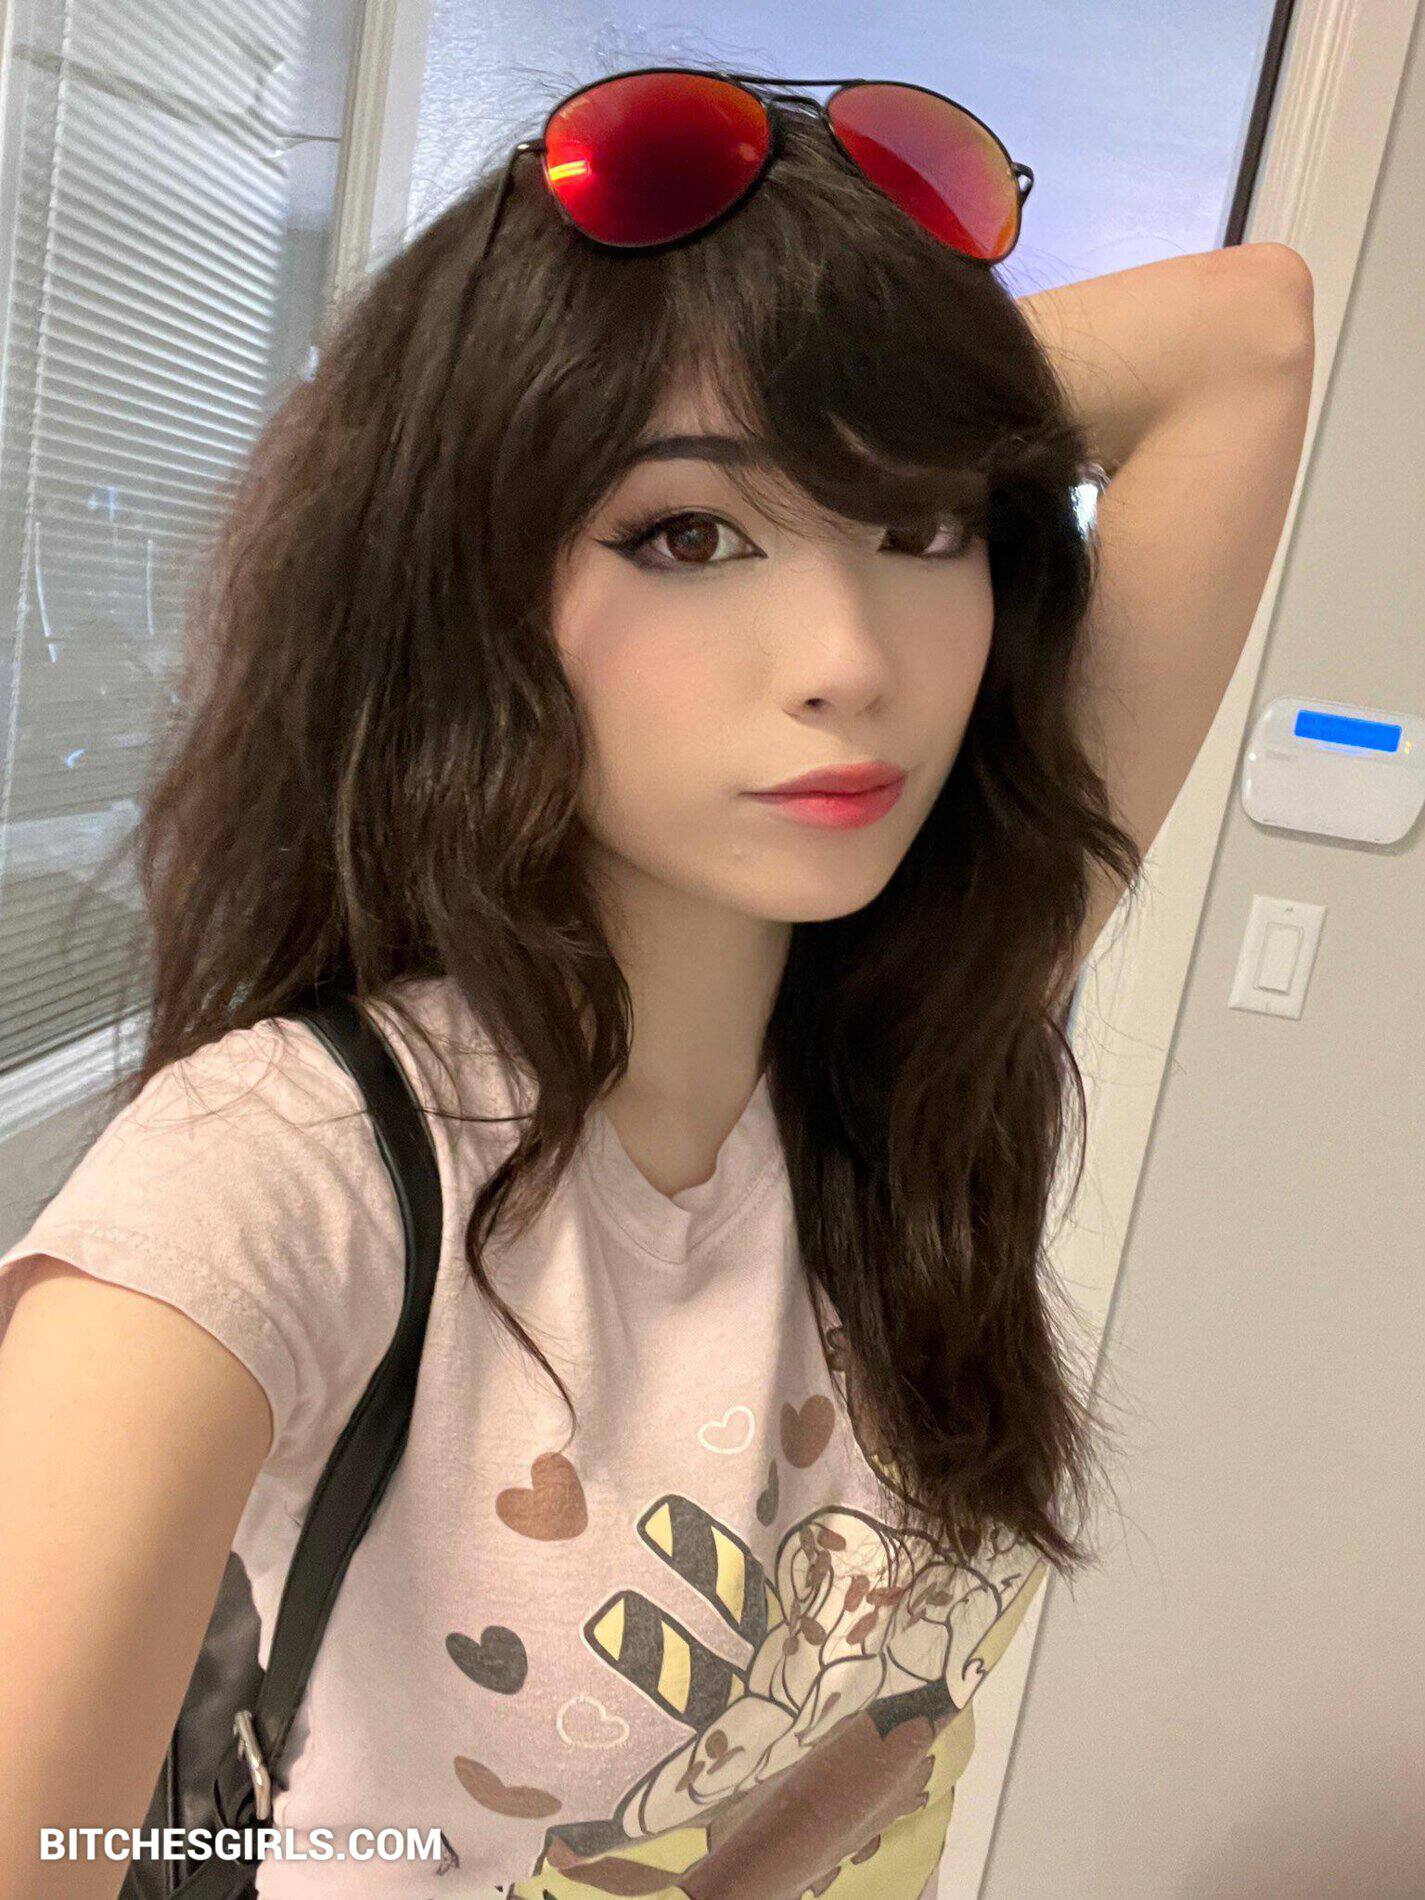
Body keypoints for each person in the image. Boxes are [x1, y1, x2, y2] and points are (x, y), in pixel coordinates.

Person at [0, 65, 1314, 1900]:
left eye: (920, 525)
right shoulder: (283, 1172)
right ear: (465, 580)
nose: (847, 658)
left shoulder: (908, 1039)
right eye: (687, 534)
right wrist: (542, 396)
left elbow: (1247, 337)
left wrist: (833, 365)